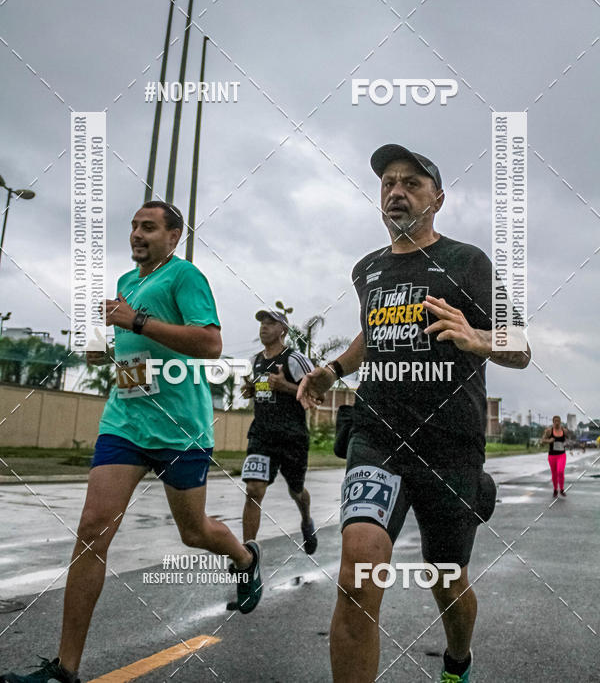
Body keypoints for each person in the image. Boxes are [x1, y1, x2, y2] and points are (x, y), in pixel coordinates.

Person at [1, 201, 262, 683]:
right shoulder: (126, 282)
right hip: (125, 422)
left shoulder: (185, 277)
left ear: (174, 236)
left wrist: (135, 321)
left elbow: (210, 344)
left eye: (149, 227)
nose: (137, 234)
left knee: (194, 532)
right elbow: (125, 350)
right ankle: (65, 670)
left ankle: (244, 557)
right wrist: (100, 348)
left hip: (180, 428)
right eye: (134, 227)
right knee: (92, 529)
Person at [298, 144, 531, 683]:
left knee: (445, 576)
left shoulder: (467, 262)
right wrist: (333, 369)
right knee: (357, 576)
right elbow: (372, 333)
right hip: (378, 437)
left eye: (412, 183)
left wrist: (476, 337)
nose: (397, 192)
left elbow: (520, 346)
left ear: (438, 199)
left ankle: (457, 659)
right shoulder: (367, 270)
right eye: (389, 183)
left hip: (450, 446)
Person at [240, 310, 317, 553]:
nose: (264, 327)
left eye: (270, 323)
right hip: (262, 435)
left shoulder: (295, 359)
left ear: (283, 330)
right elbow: (263, 391)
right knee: (253, 490)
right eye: (262, 323)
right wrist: (252, 390)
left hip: (292, 437)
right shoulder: (255, 361)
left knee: (296, 491)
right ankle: (249, 555)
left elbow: (317, 394)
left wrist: (285, 386)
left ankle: (306, 520)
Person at [542, 415, 568, 497]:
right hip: (552, 455)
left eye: (558, 421)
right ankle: (555, 489)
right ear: (553, 422)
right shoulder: (549, 431)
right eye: (555, 421)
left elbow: (568, 439)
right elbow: (542, 440)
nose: (557, 423)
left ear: (560, 422)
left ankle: (562, 489)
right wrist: (549, 441)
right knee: (554, 473)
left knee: (560, 471)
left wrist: (566, 443)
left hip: (562, 455)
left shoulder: (564, 431)